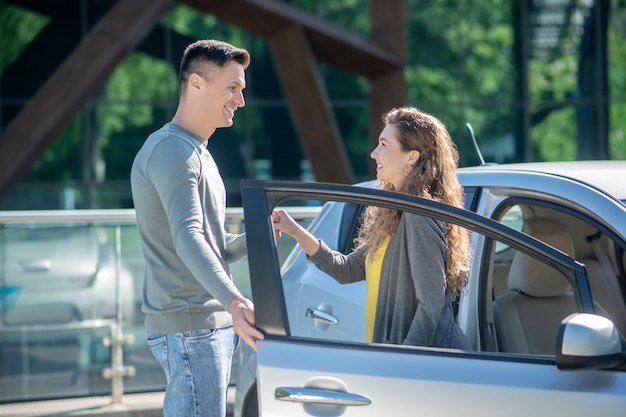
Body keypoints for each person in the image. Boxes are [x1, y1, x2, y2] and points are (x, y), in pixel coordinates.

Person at [130, 39, 264, 417]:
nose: (240, 100)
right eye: (232, 88)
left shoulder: (197, 151)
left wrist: (259, 236)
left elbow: (211, 246)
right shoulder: (172, 150)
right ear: (196, 84)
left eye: (242, 90)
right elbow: (188, 236)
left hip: (205, 327)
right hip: (193, 329)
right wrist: (235, 301)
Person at [272, 106, 472, 349]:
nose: (374, 154)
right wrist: (295, 231)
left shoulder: (419, 216)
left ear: (412, 157)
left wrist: (402, 356)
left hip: (424, 363)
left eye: (384, 145)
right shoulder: (393, 212)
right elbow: (348, 270)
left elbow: (430, 303)